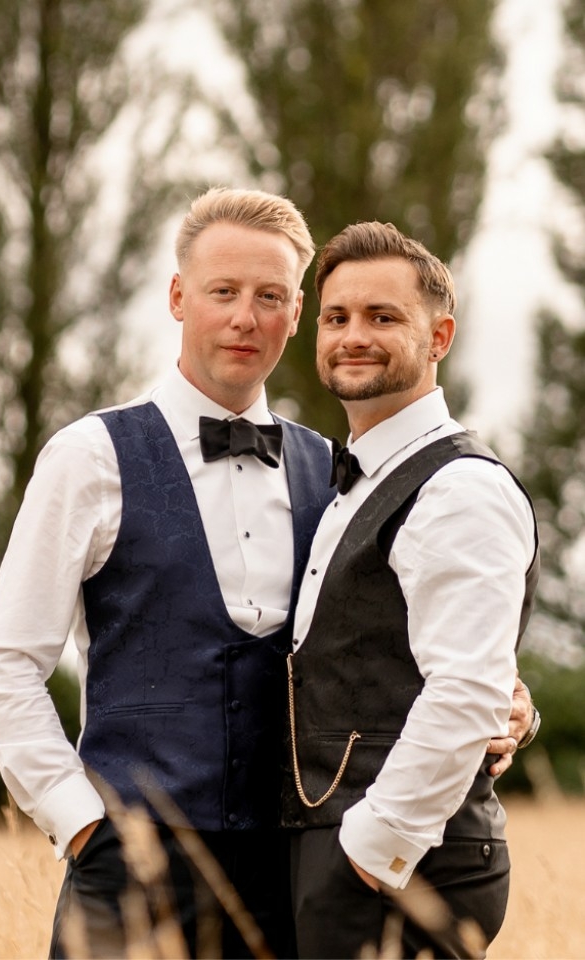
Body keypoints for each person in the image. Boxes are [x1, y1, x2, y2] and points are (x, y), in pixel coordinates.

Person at [0, 189, 534, 960]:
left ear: (295, 314)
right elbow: (4, 666)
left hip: (291, 879)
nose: (244, 318)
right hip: (129, 873)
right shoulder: (88, 457)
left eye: (269, 297)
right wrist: (79, 823)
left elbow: (397, 629)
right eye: (222, 292)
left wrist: (509, 701)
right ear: (177, 297)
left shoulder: (335, 472)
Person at [282, 220, 540, 960]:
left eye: (382, 316)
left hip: (399, 868)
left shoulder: (459, 489)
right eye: (336, 318)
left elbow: (465, 687)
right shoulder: (350, 482)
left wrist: (367, 852)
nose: (352, 335)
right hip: (348, 860)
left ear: (440, 337)